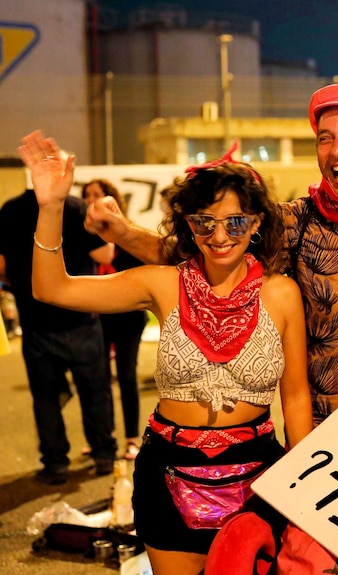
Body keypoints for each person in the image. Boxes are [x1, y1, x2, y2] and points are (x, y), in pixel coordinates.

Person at [20, 130, 312, 575]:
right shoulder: (162, 282)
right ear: (188, 224)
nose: (219, 236)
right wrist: (51, 205)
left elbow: (294, 396)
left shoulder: (282, 294)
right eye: (203, 222)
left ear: (256, 224)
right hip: (167, 475)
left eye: (235, 222)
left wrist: (302, 486)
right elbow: (51, 287)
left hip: (257, 480)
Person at [85, 83, 338, 427]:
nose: (337, 150)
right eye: (325, 138)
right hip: (328, 435)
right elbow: (193, 252)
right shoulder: (293, 223)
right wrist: (123, 232)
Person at [0, 184, 117, 485]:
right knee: (95, 392)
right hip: (80, 318)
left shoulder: (10, 209)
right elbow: (105, 253)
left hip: (35, 321)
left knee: (45, 399)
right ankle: (104, 455)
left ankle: (55, 463)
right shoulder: (76, 208)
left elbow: (1, 264)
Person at [82, 178, 149, 460]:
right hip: (99, 316)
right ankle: (103, 437)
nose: (90, 200)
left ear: (111, 199)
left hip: (128, 317)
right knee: (99, 379)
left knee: (126, 377)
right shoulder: (84, 232)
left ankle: (132, 439)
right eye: (86, 195)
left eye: (96, 195)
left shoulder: (126, 232)